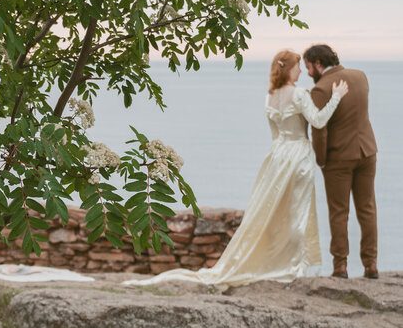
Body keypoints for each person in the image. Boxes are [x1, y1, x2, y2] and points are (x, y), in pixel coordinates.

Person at [125, 49, 347, 287]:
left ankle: (277, 260)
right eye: (297, 66)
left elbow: (276, 134)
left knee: (272, 210)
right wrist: (336, 96)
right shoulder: (300, 94)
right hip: (298, 154)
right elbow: (318, 121)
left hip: (277, 155)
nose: (300, 70)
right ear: (289, 69)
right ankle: (291, 265)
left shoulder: (269, 96)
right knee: (295, 212)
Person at [304, 44, 378, 279]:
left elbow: (320, 130)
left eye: (308, 67)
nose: (307, 73)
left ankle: (340, 265)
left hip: (338, 157)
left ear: (318, 64)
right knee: (367, 209)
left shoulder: (320, 89)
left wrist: (321, 160)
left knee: (339, 212)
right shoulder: (360, 77)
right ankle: (371, 264)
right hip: (367, 151)